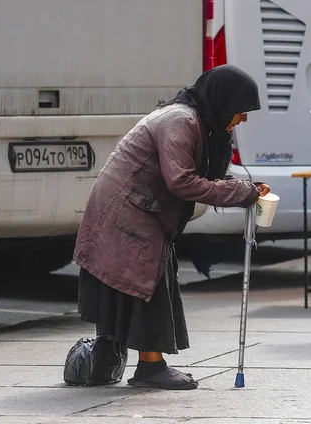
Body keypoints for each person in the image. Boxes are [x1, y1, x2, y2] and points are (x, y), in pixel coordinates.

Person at [73, 65, 270, 390]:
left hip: (139, 209)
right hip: (129, 212)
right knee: (148, 282)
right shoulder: (181, 121)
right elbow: (182, 181)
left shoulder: (197, 122)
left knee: (144, 282)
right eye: (241, 111)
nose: (243, 119)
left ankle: (118, 359)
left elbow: (200, 174)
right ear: (223, 101)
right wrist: (241, 193)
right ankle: (151, 368)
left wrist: (246, 188)